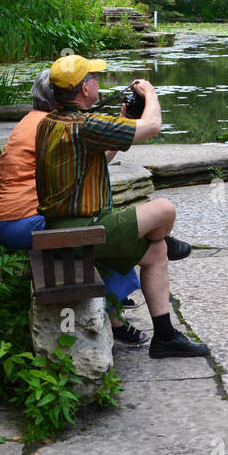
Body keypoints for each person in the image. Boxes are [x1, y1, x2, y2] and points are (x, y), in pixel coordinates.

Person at [36, 54, 207, 358]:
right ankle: (161, 235)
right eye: (94, 78)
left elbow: (99, 159)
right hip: (81, 232)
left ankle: (165, 337)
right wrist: (150, 93)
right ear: (84, 88)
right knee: (165, 209)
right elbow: (153, 125)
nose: (98, 82)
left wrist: (123, 123)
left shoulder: (52, 122)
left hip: (66, 229)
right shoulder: (85, 125)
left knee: (156, 254)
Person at [0, 69, 147, 346]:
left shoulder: (35, 120)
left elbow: (89, 165)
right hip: (23, 220)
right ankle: (115, 317)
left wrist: (119, 127)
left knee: (95, 220)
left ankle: (116, 296)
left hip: (9, 219)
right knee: (94, 229)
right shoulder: (53, 126)